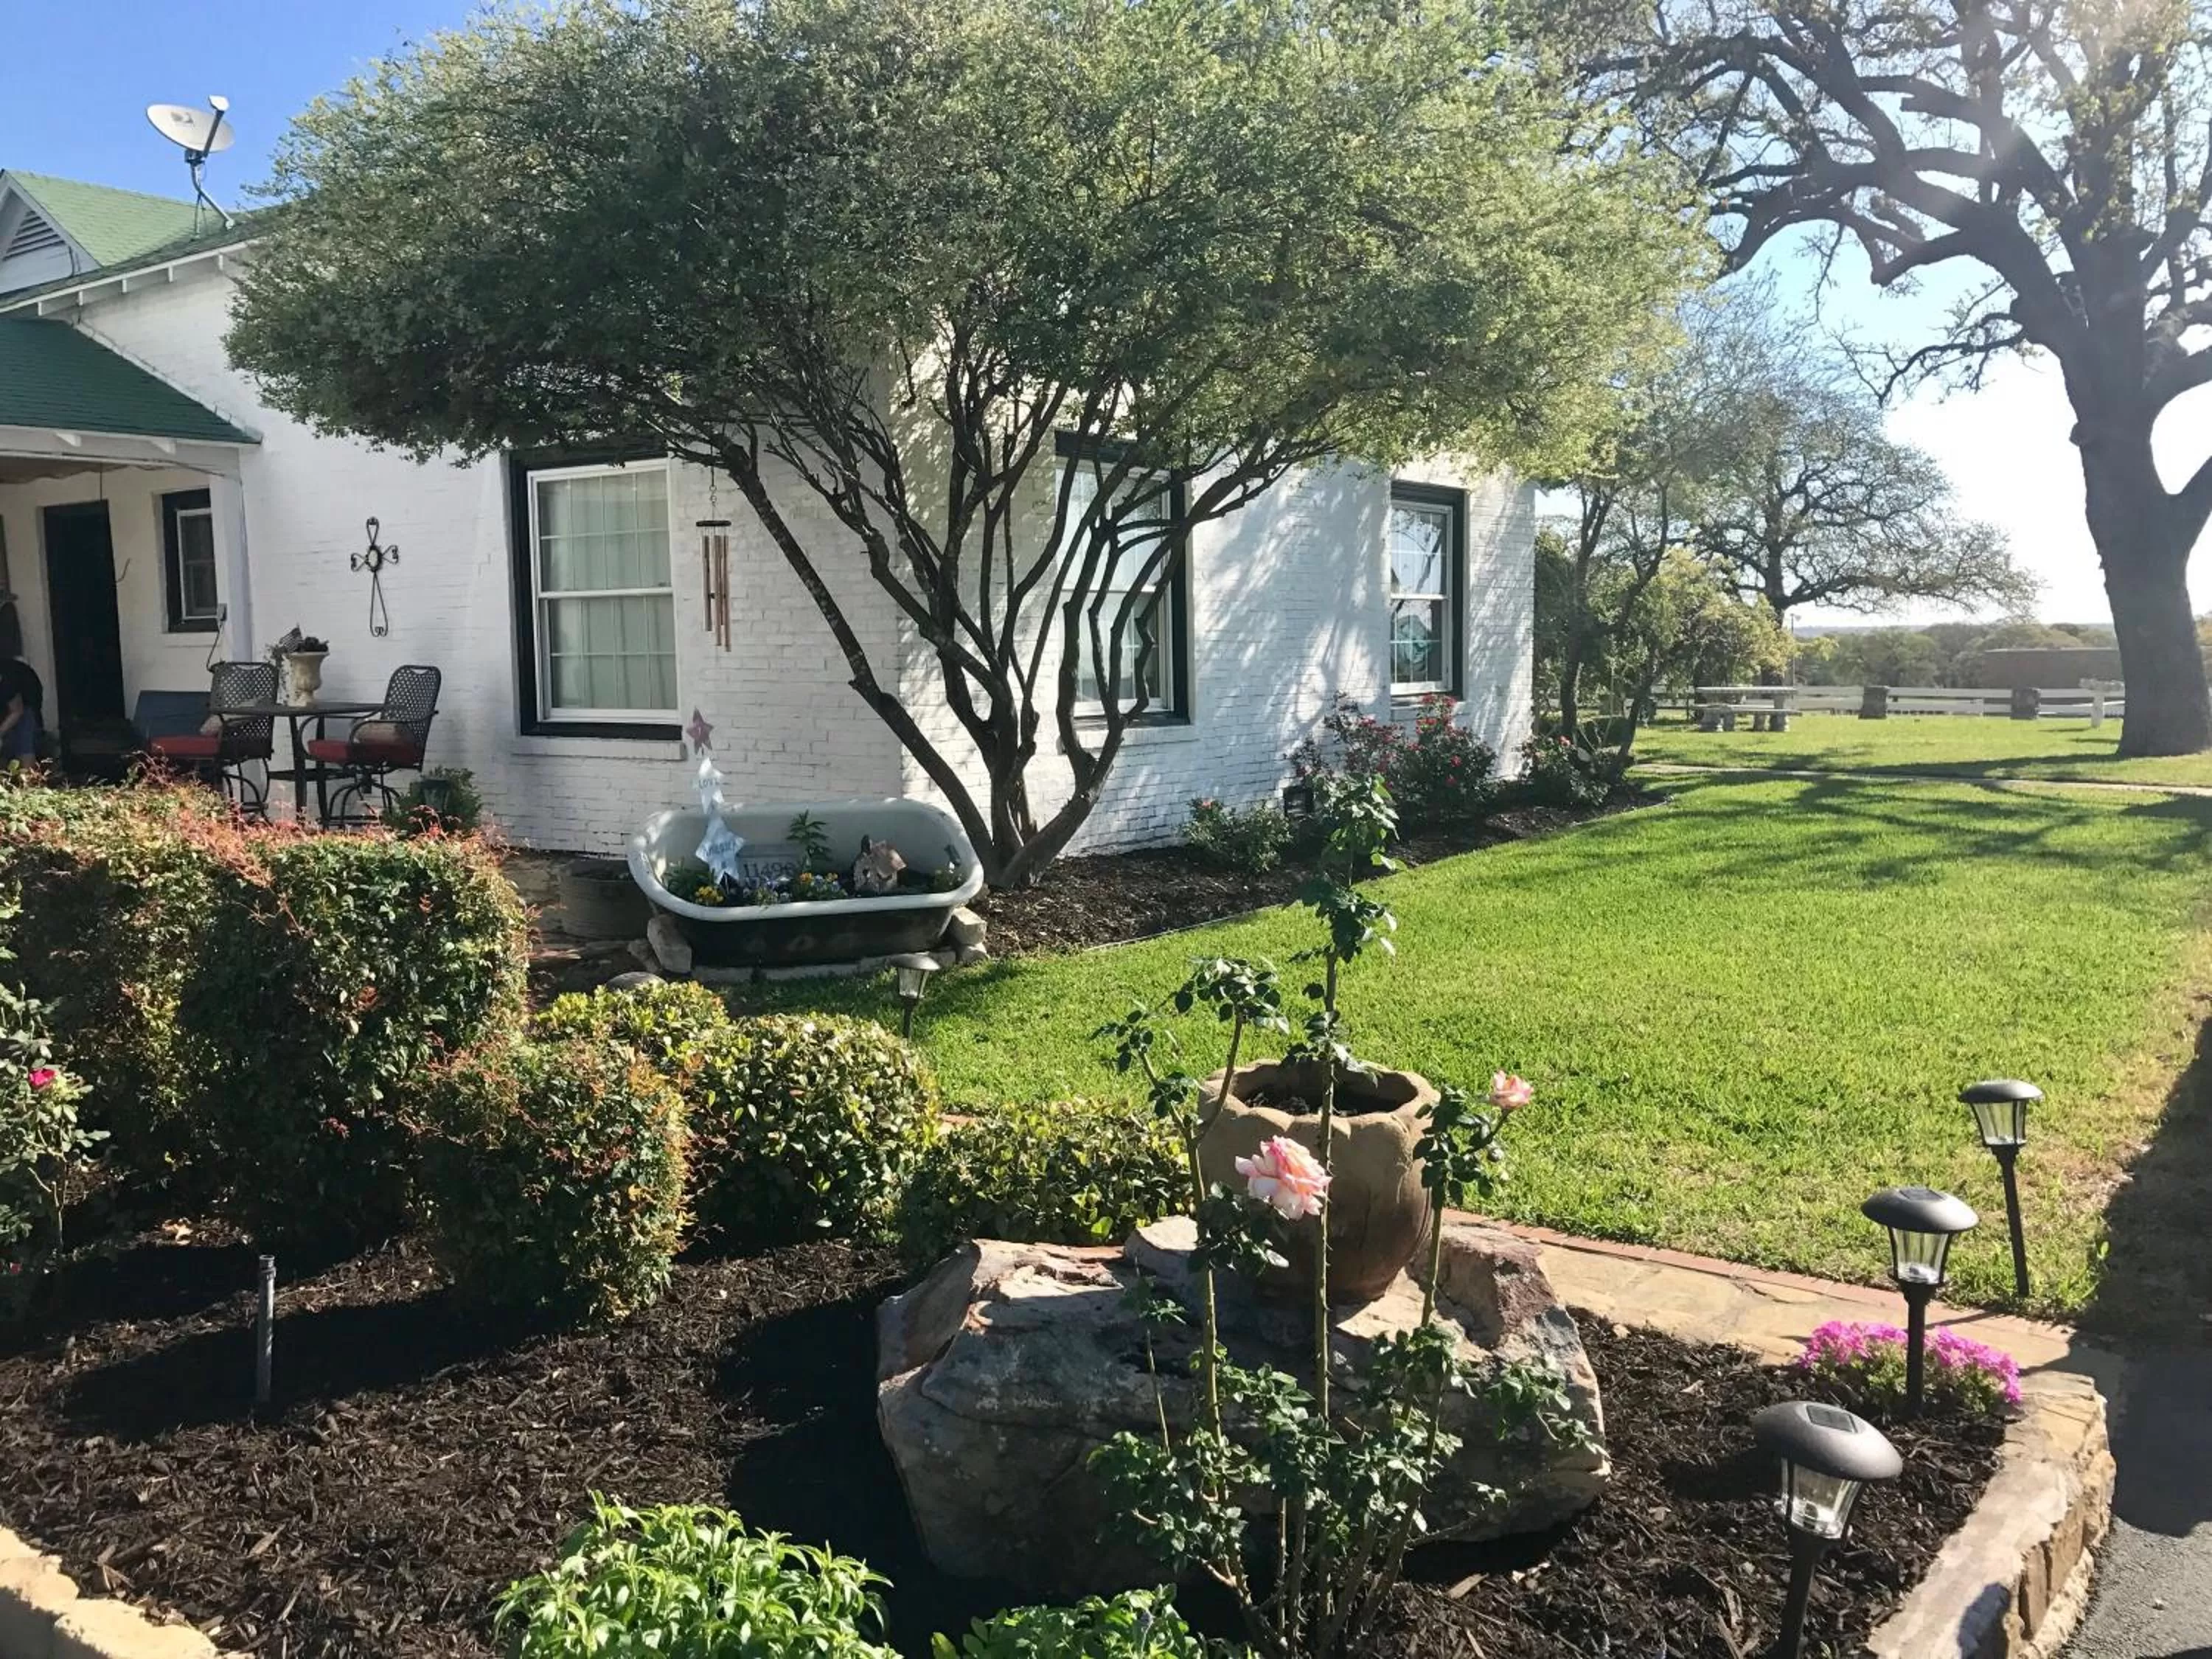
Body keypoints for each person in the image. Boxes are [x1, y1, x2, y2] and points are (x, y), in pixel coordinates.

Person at [0, 653, 44, 766]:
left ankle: (29, 780)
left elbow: (18, 711)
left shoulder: (8, 679)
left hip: (26, 701)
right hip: (9, 704)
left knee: (24, 743)